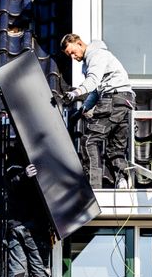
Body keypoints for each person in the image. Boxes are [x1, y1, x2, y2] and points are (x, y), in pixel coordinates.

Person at [58, 33, 135, 189]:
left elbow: (93, 80)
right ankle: (122, 180)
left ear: (79, 43)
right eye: (69, 55)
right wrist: (85, 108)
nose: (73, 57)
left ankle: (94, 186)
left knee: (89, 141)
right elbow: (95, 91)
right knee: (115, 147)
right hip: (126, 102)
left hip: (113, 99)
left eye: (73, 52)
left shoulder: (96, 55)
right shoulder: (98, 58)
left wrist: (75, 93)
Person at [4, 142, 52, 277]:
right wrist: (25, 175)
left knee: (17, 272)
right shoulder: (42, 155)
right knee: (39, 270)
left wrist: (22, 176)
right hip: (36, 226)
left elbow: (9, 183)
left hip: (15, 225)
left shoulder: (13, 155)